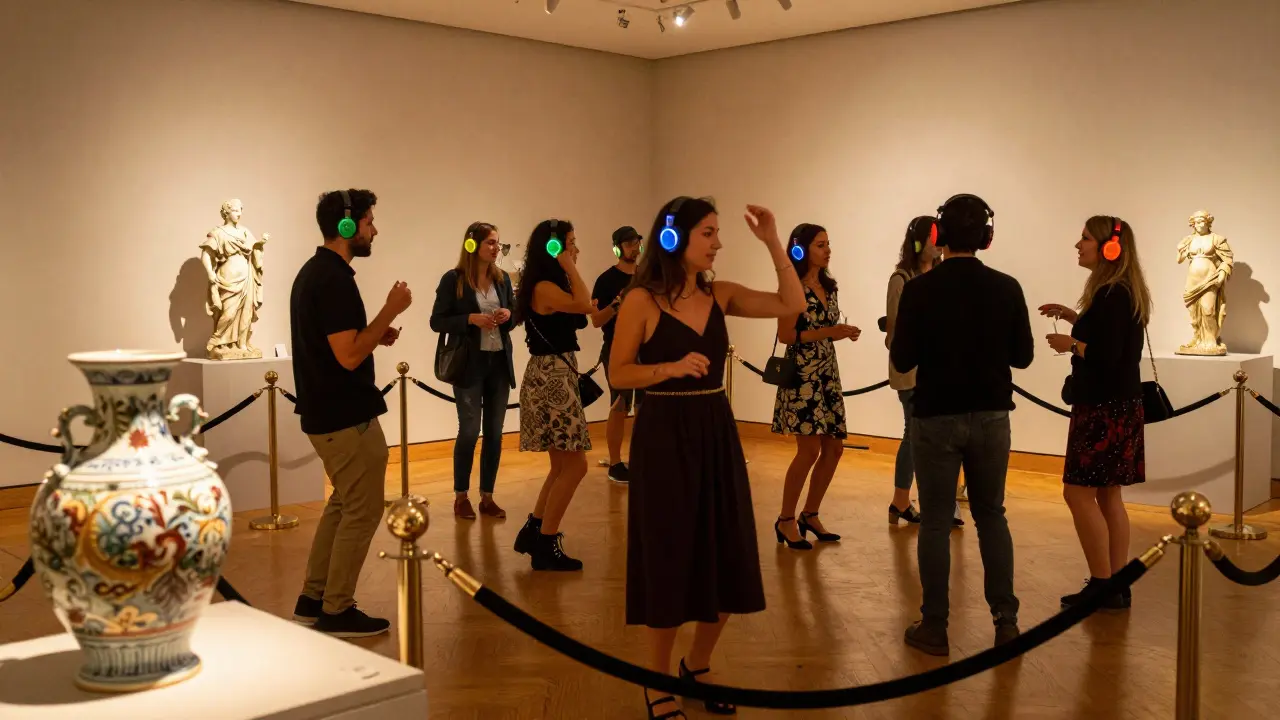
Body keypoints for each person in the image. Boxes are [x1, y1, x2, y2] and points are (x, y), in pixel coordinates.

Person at [610, 197, 805, 719]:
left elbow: (793, 305)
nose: (718, 242)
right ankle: (655, 679)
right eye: (708, 233)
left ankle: (696, 665)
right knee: (670, 555)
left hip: (715, 430)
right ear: (673, 238)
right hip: (664, 435)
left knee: (726, 548)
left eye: (718, 233)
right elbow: (617, 374)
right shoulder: (641, 302)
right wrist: (667, 369)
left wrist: (772, 240)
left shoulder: (722, 294)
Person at [890, 193, 1033, 656]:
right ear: (986, 237)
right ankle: (1005, 622)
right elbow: (1024, 356)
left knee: (934, 521)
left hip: (935, 416)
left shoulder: (919, 289)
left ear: (942, 236)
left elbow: (903, 356)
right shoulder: (1007, 287)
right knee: (992, 515)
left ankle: (935, 625)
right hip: (992, 416)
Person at [289, 189, 411, 637]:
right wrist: (388, 311)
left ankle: (313, 598)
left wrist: (377, 333)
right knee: (361, 511)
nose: (374, 229)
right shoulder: (334, 279)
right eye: (369, 221)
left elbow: (341, 344)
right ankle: (337, 609)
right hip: (345, 418)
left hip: (329, 415)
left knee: (342, 505)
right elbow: (347, 357)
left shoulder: (315, 273)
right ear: (346, 226)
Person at [1041, 216, 1151, 611]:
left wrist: (1071, 344)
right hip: (1119, 406)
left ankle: (1103, 583)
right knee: (1108, 496)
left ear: (1109, 248)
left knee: (1077, 493)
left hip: (1103, 409)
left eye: (1085, 238)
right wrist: (1074, 319)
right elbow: (1111, 339)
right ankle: (1115, 585)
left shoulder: (1112, 294)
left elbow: (1108, 355)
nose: (1078, 244)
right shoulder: (1118, 292)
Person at [512, 219, 594, 571]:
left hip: (552, 373)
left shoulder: (545, 285)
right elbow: (586, 303)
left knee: (561, 465)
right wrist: (569, 265)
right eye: (570, 243)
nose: (576, 249)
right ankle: (546, 542)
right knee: (576, 466)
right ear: (555, 248)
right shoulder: (545, 287)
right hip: (554, 377)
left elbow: (586, 308)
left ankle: (535, 529)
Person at [770, 223, 859, 550]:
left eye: (828, 244)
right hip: (803, 376)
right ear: (801, 249)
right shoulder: (791, 287)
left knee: (834, 448)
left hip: (827, 374)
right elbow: (786, 336)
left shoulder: (829, 285)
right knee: (807, 451)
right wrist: (829, 332)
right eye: (821, 245)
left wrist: (843, 331)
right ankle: (785, 519)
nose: (827, 250)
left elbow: (827, 327)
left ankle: (810, 513)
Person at [430, 222, 516, 521]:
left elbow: (515, 315)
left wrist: (508, 315)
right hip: (470, 365)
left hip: (499, 365)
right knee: (469, 430)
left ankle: (488, 496)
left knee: (495, 432)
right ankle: (461, 496)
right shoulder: (453, 280)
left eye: (498, 243)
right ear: (472, 245)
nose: (496, 248)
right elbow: (437, 321)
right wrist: (470, 319)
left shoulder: (502, 279)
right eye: (491, 243)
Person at [884, 217, 963, 528]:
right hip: (913, 370)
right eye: (932, 236)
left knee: (939, 436)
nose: (938, 242)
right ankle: (902, 500)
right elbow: (894, 331)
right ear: (919, 241)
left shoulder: (944, 275)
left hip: (940, 370)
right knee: (914, 434)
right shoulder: (901, 278)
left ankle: (935, 502)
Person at [590, 225, 644, 483]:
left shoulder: (647, 277)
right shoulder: (606, 280)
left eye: (636, 242)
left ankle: (644, 458)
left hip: (646, 350)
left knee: (646, 406)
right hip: (616, 350)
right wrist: (617, 303)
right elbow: (596, 321)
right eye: (628, 243)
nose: (634, 247)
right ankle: (615, 463)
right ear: (617, 248)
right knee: (619, 405)